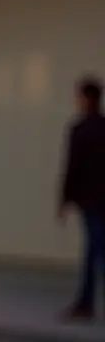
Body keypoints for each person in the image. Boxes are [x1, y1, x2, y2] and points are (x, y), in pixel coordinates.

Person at [60, 76, 105, 320]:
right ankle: (85, 303)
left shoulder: (80, 130)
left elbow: (73, 167)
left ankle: (85, 304)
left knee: (95, 251)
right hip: (98, 200)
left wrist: (65, 199)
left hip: (90, 200)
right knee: (94, 251)